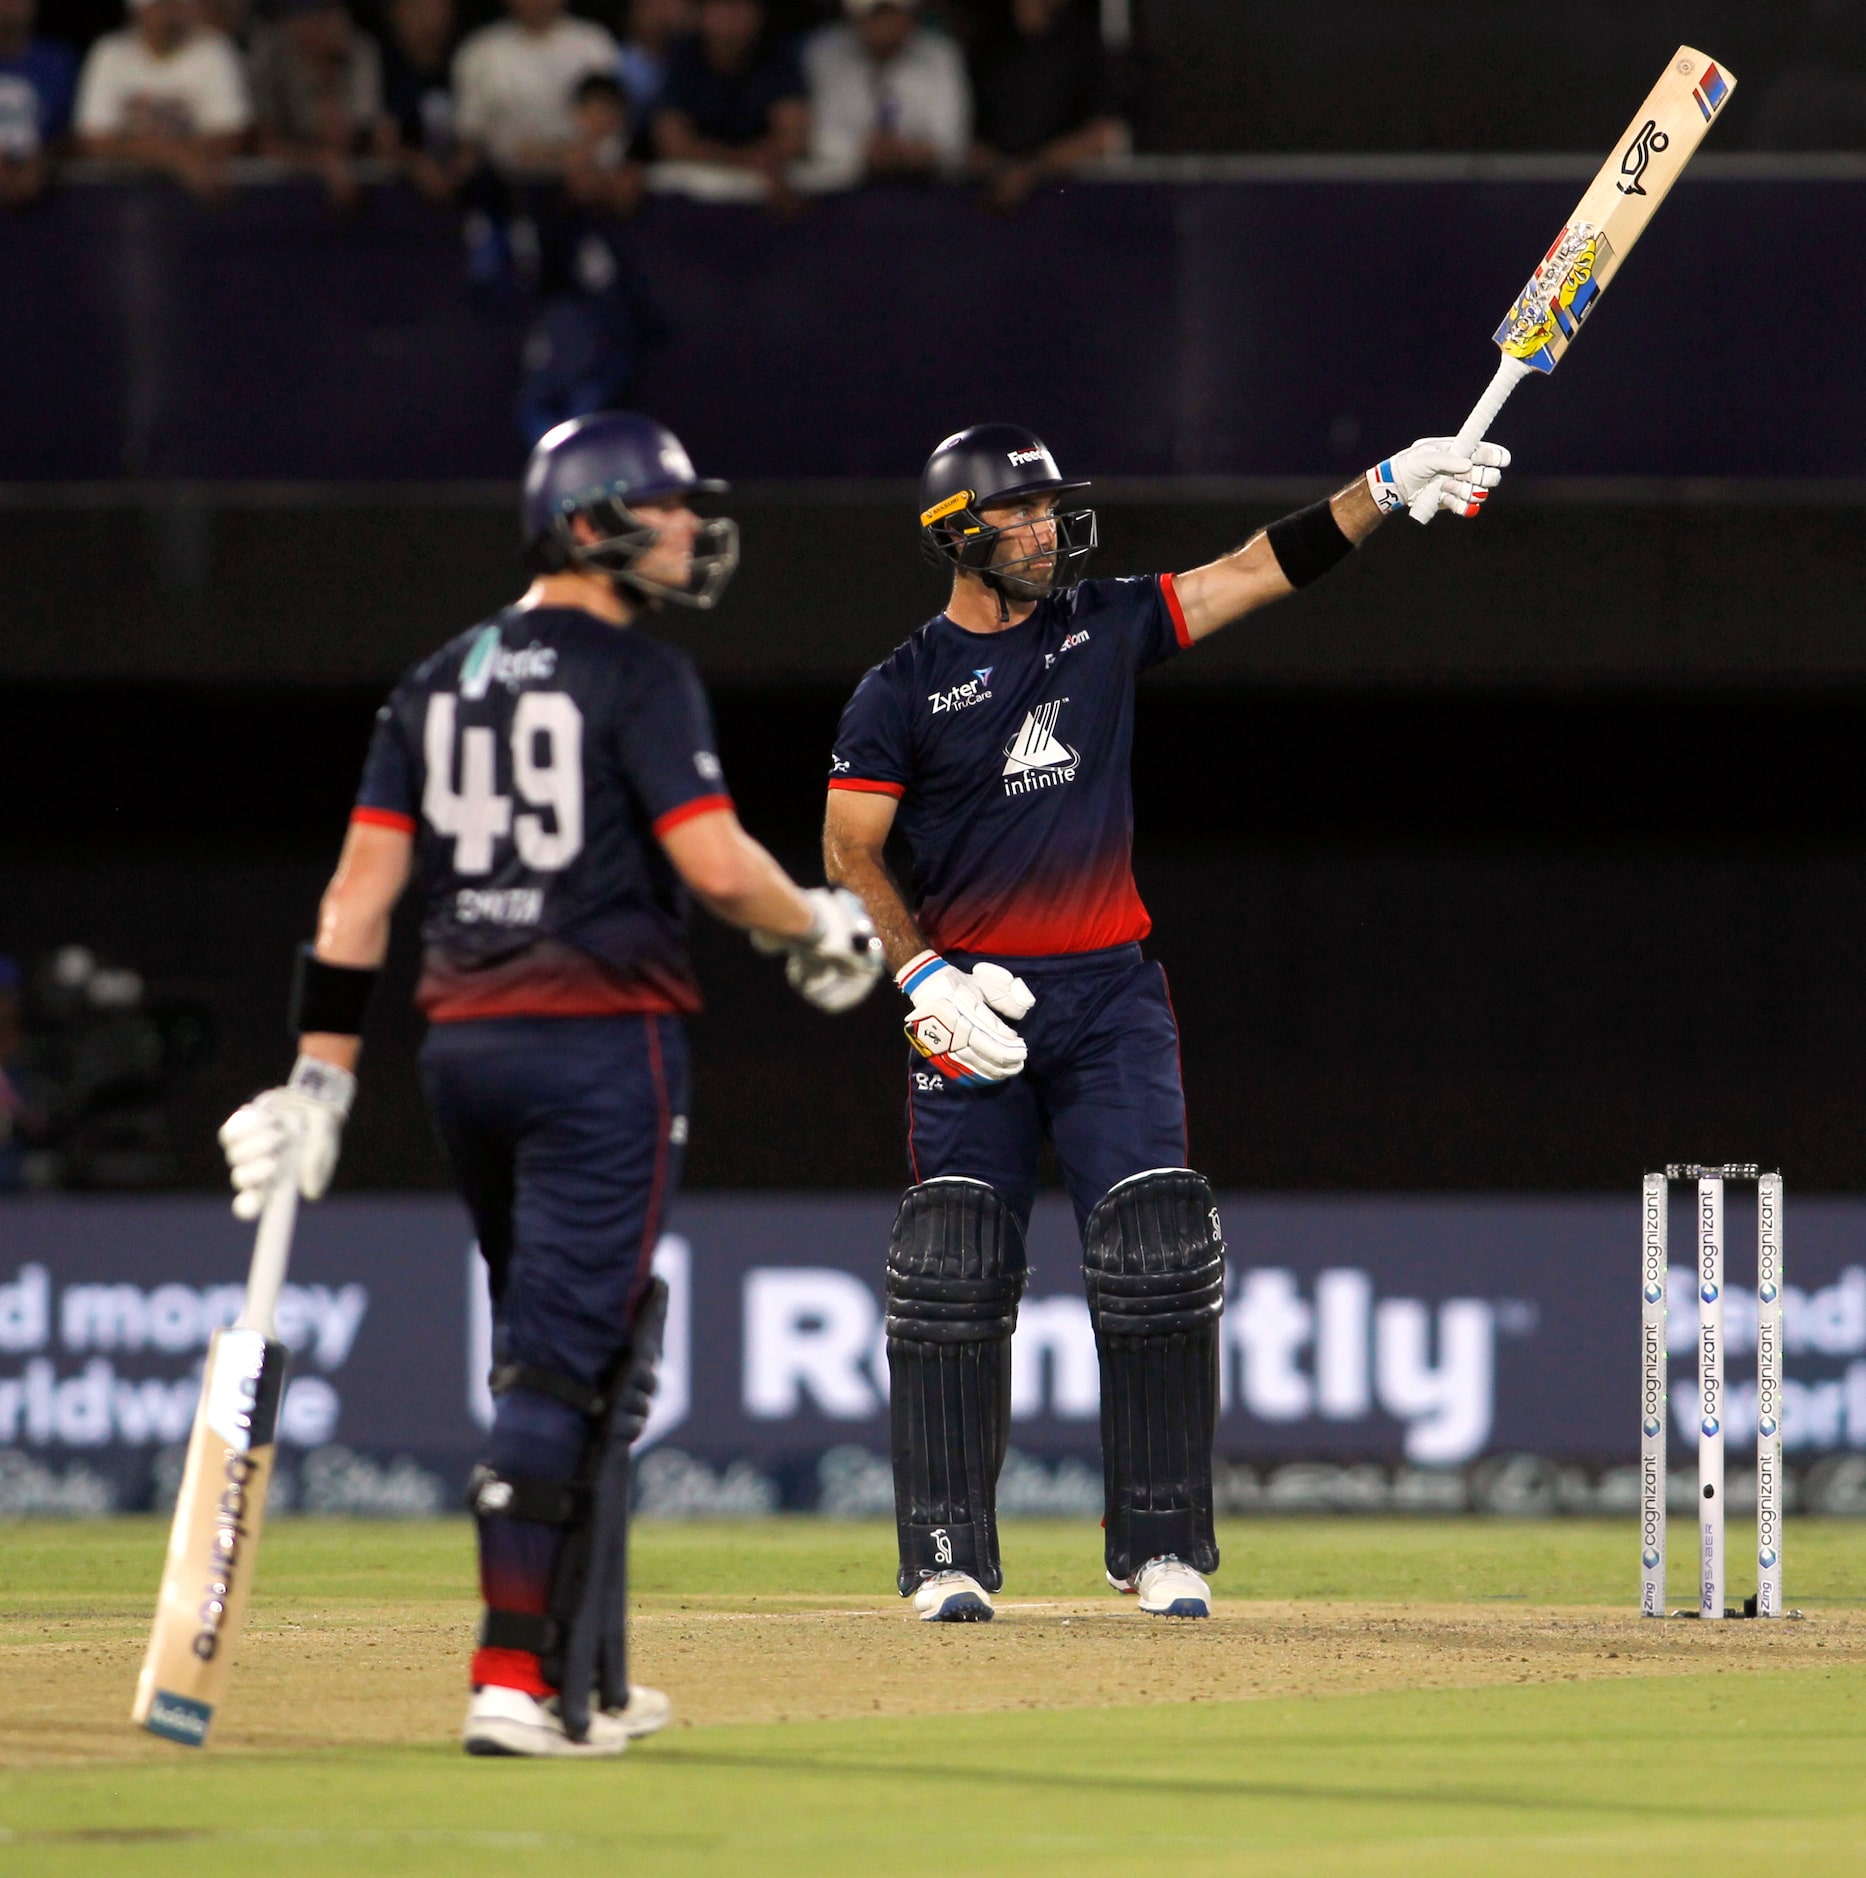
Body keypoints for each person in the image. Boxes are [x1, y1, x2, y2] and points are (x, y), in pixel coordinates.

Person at [216, 412, 883, 1757]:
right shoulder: (634, 674)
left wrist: (318, 1083)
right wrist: (817, 922)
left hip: (461, 1050)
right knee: (561, 1362)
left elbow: (356, 900)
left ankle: (586, 1669)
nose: (693, 527)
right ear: (592, 523)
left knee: (584, 1347)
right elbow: (711, 864)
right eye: (669, 505)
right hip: (598, 1048)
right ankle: (512, 1679)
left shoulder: (432, 680)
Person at [822, 423, 1508, 1623]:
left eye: (1048, 512)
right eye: (1019, 517)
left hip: (1109, 997)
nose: (1044, 531)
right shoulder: (900, 688)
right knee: (954, 1270)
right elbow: (848, 848)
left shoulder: (1105, 624)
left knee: (1155, 1256)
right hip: (971, 1004)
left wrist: (1388, 486)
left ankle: (1159, 1546)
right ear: (957, 535)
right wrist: (925, 977)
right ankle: (943, 1556)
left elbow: (1254, 567)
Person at [74, 0, 251, 197]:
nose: (169, 14)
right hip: (123, 194)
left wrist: (135, 149)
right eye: (161, 6)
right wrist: (176, 157)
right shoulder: (110, 51)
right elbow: (95, 139)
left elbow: (231, 135)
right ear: (139, 12)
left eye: (176, 5)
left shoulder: (214, 48)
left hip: (194, 196)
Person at [967, 0, 1120, 212]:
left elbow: (1102, 136)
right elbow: (961, 138)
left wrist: (1031, 172)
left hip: (1066, 205)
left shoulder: (1082, 42)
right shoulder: (987, 45)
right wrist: (1001, 171)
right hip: (988, 207)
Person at [804, 0, 967, 185]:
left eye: (892, 14)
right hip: (846, 187)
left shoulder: (941, 53)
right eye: (875, 16)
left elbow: (952, 142)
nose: (884, 25)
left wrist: (907, 152)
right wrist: (865, 151)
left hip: (926, 185)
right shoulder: (824, 51)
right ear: (854, 17)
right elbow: (821, 137)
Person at [453, 0, 617, 176]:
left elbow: (615, 123)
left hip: (585, 178)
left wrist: (578, 156)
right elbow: (469, 134)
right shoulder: (479, 52)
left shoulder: (595, 44)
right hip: (505, 183)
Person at [652, 0, 807, 183]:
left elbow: (793, 137)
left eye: (741, 6)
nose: (732, 16)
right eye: (723, 6)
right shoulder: (683, 56)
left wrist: (761, 159)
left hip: (764, 181)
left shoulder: (778, 55)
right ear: (701, 13)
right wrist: (740, 160)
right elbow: (671, 141)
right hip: (702, 182)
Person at [249, 0, 382, 206]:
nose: (325, 26)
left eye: (329, 16)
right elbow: (266, 144)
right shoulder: (270, 55)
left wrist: (328, 75)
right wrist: (321, 161)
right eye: (312, 18)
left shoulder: (358, 52)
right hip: (281, 198)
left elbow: (354, 135)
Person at [375, 0, 470, 198]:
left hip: (466, 187)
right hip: (403, 191)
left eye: (435, 6)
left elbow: (482, 135)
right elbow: (384, 142)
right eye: (415, 8)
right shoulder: (383, 66)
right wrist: (416, 164)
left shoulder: (468, 58)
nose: (427, 18)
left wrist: (464, 160)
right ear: (395, 14)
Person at [0, 0, 77, 208]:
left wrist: (44, 160)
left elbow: (76, 134)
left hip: (45, 207)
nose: (10, 5)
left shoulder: (58, 62)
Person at [616, 0, 689, 156]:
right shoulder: (614, 60)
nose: (661, 14)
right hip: (628, 150)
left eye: (668, 5)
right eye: (651, 5)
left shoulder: (692, 61)